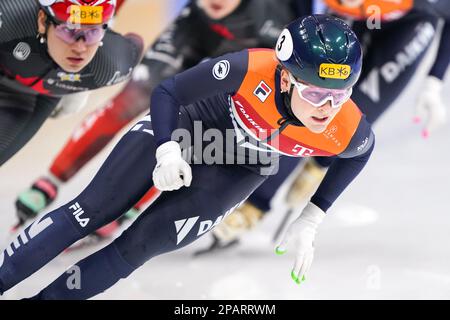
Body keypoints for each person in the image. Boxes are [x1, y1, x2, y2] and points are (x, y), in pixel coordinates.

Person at [0, 15, 374, 298]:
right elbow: (168, 92)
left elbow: (360, 154)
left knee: (137, 247)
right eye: (315, 95)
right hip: (189, 123)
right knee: (89, 211)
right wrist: (166, 149)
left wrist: (312, 217)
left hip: (241, 166)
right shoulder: (250, 68)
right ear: (286, 78)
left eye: (339, 95)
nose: (326, 108)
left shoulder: (345, 126)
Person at [12, 0, 312, 236]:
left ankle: (135, 202)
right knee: (135, 95)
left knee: (197, 119)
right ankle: (50, 180)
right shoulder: (200, 10)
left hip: (252, 47)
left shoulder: (270, 17)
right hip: (197, 28)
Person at [201, 0, 450, 251]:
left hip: (407, 26)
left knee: (354, 113)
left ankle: (316, 166)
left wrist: (434, 80)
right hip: (345, 25)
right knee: (306, 102)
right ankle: (257, 201)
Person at [0, 0, 143, 168]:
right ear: (42, 21)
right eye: (68, 30)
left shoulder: (111, 66)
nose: (80, 48)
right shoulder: (9, 16)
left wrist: (85, 84)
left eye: (93, 31)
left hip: (30, 99)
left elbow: (136, 45)